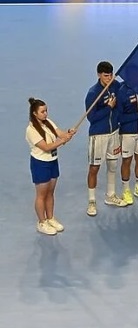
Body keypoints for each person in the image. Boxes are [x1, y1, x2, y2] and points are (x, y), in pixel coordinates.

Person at [26, 98, 75, 235]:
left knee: (50, 193)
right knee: (41, 195)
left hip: (53, 161)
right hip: (40, 164)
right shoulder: (31, 130)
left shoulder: (48, 122)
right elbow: (46, 147)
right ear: (35, 113)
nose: (46, 114)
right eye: (42, 112)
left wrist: (68, 133)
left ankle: (50, 218)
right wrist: (62, 141)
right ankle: (42, 222)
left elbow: (61, 134)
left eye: (46, 110)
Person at [85, 61, 127, 217]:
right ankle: (91, 201)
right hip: (99, 135)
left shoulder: (116, 86)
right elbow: (91, 117)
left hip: (114, 132)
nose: (109, 78)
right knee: (94, 168)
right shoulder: (93, 93)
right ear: (99, 75)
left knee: (113, 165)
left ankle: (110, 195)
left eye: (110, 75)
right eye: (105, 76)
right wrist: (109, 107)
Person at [117, 66, 138, 205]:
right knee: (127, 161)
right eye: (133, 76)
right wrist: (137, 115)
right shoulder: (121, 92)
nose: (136, 79)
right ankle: (126, 190)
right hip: (127, 133)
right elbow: (119, 117)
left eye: (137, 76)